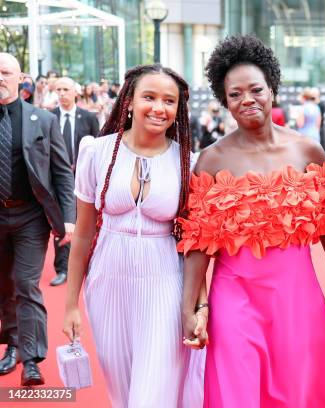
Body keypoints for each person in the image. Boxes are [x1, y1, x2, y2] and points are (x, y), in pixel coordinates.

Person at [178, 34, 325, 407]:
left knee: (296, 392)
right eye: (235, 94)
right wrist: (189, 306)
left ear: (272, 88)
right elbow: (199, 242)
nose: (247, 100)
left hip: (296, 296)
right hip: (233, 296)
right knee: (237, 391)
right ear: (225, 101)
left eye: (255, 89)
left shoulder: (307, 150)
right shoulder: (211, 160)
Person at [62, 64, 203, 407]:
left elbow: (194, 242)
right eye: (149, 97)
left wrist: (200, 306)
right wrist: (70, 305)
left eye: (169, 101)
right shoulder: (96, 152)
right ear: (129, 101)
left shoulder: (188, 163)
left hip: (164, 282)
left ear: (177, 110)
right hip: (107, 283)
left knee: (153, 394)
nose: (159, 107)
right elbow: (82, 235)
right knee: (123, 391)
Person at [0, 52, 75, 385]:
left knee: (26, 284)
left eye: (5, 72)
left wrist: (69, 218)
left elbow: (61, 172)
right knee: (4, 286)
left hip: (30, 216)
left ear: (21, 79)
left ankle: (32, 360)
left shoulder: (42, 120)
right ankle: (12, 347)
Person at [49, 77, 99, 287]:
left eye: (66, 89)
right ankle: (62, 268)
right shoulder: (48, 117)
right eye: (58, 90)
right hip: (56, 178)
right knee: (61, 221)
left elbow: (98, 145)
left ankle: (88, 263)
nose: (62, 93)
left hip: (84, 178)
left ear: (75, 92)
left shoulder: (88, 117)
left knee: (85, 221)